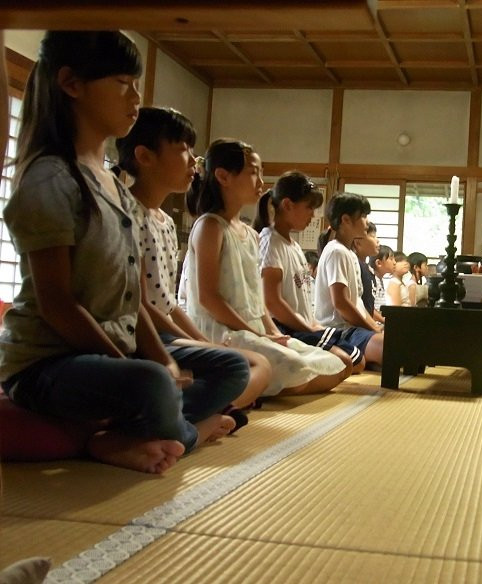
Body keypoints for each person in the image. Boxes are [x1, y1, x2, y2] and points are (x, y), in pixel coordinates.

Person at [0, 31, 242, 474]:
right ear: (72, 84)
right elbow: (57, 305)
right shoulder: (51, 178)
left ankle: (144, 430)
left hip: (117, 352)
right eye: (122, 82)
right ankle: (186, 433)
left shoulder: (116, 186)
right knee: (149, 383)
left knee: (230, 367)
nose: (136, 97)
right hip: (49, 362)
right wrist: (137, 365)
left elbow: (135, 303)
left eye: (137, 83)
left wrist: (165, 358)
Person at [115, 106, 273, 416]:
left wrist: (199, 341)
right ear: (145, 156)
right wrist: (192, 342)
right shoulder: (127, 213)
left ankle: (193, 413)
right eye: (182, 150)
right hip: (141, 334)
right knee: (243, 366)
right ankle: (183, 416)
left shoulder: (164, 220)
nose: (193, 160)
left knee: (256, 366)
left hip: (166, 330)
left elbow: (169, 303)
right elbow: (142, 304)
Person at [183, 139, 349, 395]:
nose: (261, 182)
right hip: (222, 331)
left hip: (253, 329)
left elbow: (257, 298)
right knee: (297, 366)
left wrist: (271, 333)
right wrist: (256, 334)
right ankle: (245, 385)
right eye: (253, 172)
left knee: (337, 364)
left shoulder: (250, 234)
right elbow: (208, 298)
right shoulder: (210, 226)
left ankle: (256, 385)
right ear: (223, 176)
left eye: (261, 173)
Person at [254, 170, 364, 372]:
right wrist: (307, 328)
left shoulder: (294, 246)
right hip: (286, 327)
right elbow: (272, 302)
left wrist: (314, 325)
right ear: (287, 205)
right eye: (309, 208)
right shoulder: (270, 242)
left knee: (356, 360)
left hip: (304, 324)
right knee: (346, 363)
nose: (313, 215)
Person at [314, 193, 384, 367]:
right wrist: (373, 329)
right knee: (396, 348)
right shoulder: (336, 251)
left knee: (402, 342)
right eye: (362, 216)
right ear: (345, 220)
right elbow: (341, 303)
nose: (366, 222)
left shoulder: (348, 253)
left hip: (354, 329)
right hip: (340, 331)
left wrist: (375, 327)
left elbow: (357, 304)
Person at [352, 221, 380, 321]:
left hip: (367, 323)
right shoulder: (356, 265)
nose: (377, 241)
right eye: (373, 236)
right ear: (357, 242)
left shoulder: (367, 268)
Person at [369, 244, 395, 323]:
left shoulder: (379, 279)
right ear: (379, 263)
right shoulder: (371, 279)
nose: (394, 262)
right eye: (391, 259)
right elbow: (368, 308)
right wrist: (385, 321)